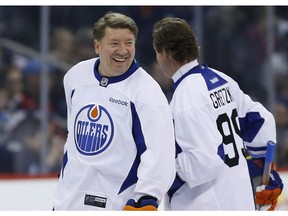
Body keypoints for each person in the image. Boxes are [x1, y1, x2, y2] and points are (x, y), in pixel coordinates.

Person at [152, 17, 283, 210]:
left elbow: (203, 162)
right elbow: (262, 120)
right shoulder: (220, 79)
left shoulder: (186, 96)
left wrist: (162, 168)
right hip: (240, 197)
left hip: (206, 204)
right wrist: (264, 169)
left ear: (164, 53)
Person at [52, 11, 176, 211]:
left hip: (115, 204)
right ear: (97, 46)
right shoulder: (75, 77)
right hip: (68, 201)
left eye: (129, 43)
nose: (123, 50)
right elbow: (72, 137)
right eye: (115, 43)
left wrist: (144, 200)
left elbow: (161, 155)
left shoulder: (147, 93)